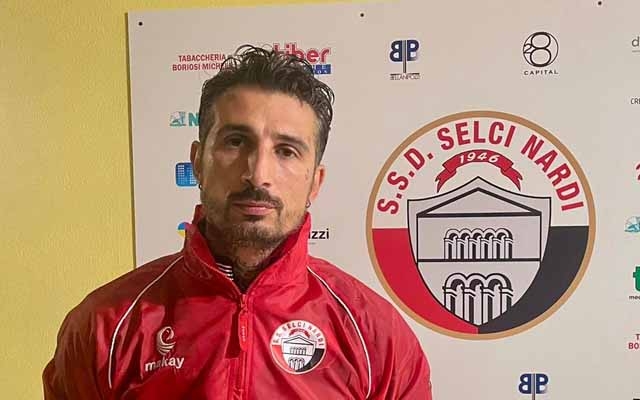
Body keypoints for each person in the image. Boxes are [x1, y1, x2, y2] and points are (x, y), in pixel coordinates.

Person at [43, 45, 433, 399]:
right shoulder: (104, 326)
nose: (257, 174)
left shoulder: (376, 336)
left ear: (315, 182)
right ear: (198, 162)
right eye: (235, 142)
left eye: (286, 151)